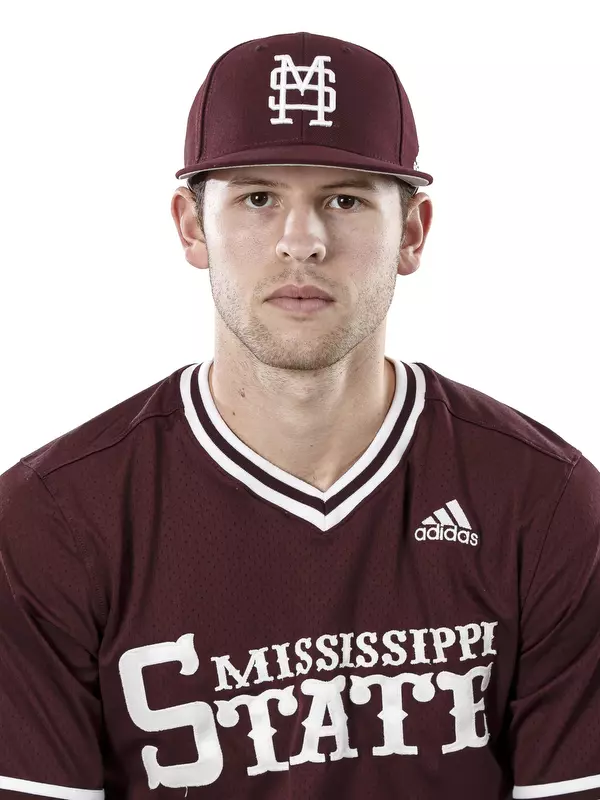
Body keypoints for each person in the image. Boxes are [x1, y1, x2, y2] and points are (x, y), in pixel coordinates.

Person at [0, 30, 599, 800]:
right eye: (258, 197)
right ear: (191, 226)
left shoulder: (541, 502)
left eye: (344, 199)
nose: (302, 242)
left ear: (412, 234)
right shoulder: (53, 521)